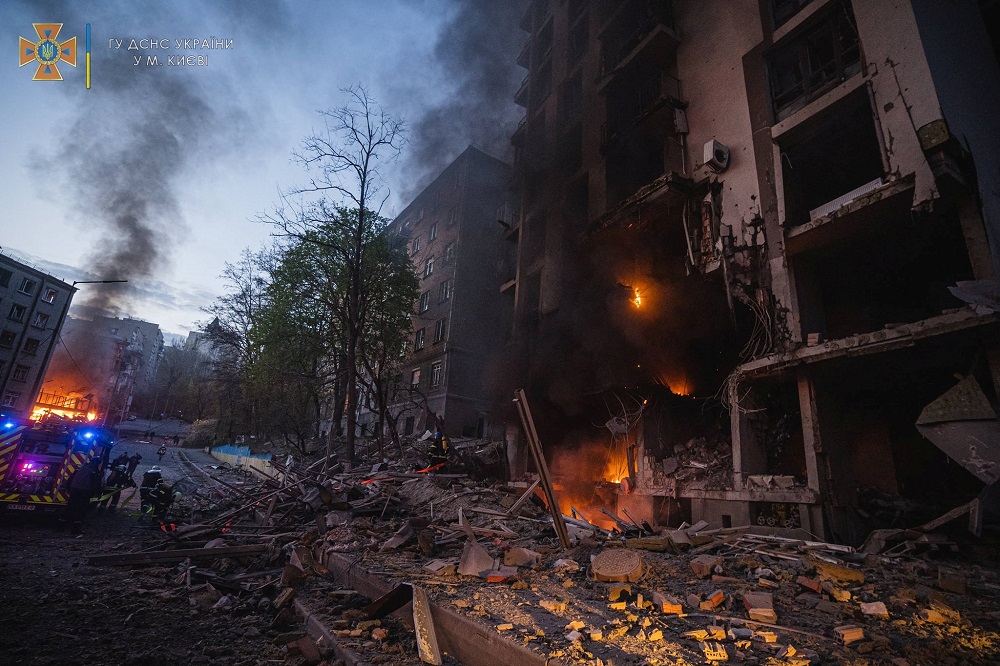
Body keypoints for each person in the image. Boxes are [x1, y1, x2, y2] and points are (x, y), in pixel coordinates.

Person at [60, 458, 102, 534]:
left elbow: (71, 478)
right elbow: (96, 484)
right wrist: (98, 493)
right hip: (85, 492)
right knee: (81, 510)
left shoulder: (81, 468)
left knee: (70, 507)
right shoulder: (95, 471)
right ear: (97, 463)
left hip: (74, 490)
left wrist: (68, 488)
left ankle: (60, 526)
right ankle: (76, 529)